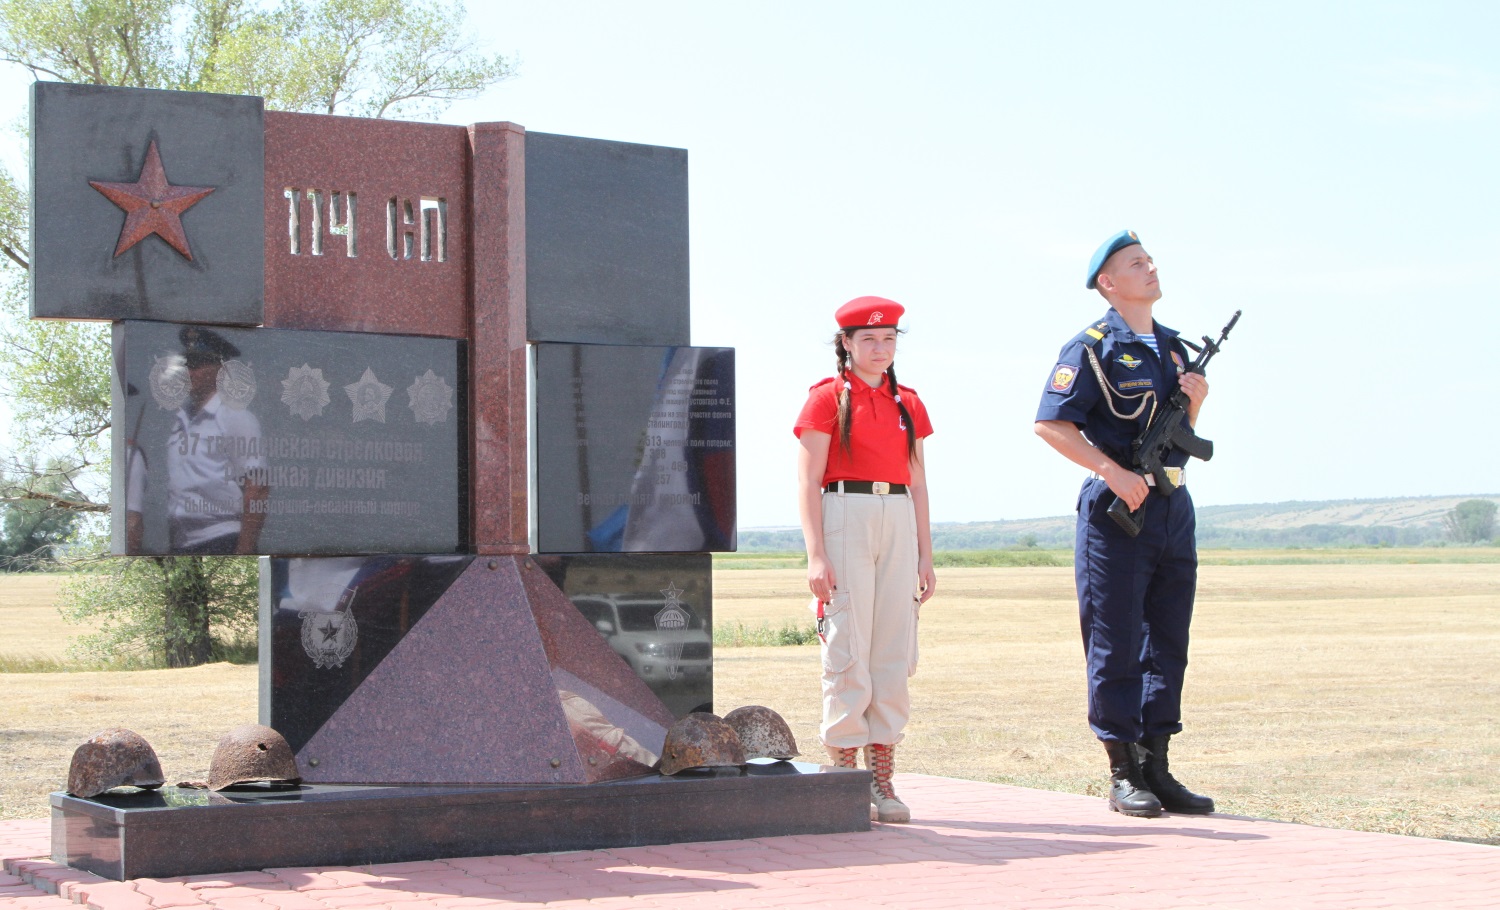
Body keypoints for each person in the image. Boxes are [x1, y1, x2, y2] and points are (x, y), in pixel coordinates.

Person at [1033, 230, 1215, 818]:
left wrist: (1197, 402)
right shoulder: (1091, 348)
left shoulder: (1175, 348)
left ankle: (1158, 764)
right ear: (1108, 284)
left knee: (1167, 640)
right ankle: (1122, 771)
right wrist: (1112, 473)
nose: (1150, 268)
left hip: (1171, 507)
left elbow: (1177, 435)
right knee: (1114, 642)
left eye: (1150, 260)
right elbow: (1052, 424)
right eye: (1136, 264)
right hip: (1117, 512)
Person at [794, 296, 935, 824]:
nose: (881, 349)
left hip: (896, 513)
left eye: (890, 340)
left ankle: (882, 777)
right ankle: (844, 774)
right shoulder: (827, 398)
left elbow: (918, 484)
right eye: (869, 340)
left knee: (894, 646)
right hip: (844, 510)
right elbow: (808, 479)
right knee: (849, 640)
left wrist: (926, 553)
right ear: (847, 344)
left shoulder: (909, 403)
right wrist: (816, 554)